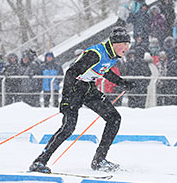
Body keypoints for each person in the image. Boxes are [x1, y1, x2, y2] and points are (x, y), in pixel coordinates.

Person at [29, 27, 133, 174]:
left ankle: (99, 160)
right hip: (74, 89)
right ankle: (39, 161)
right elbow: (71, 73)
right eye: (125, 44)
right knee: (68, 128)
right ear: (116, 43)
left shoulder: (112, 55)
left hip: (88, 89)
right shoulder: (95, 53)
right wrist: (66, 99)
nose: (127, 48)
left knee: (114, 118)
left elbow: (104, 70)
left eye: (129, 44)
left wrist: (122, 83)